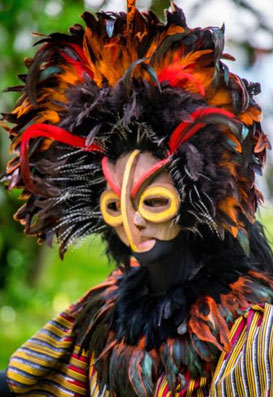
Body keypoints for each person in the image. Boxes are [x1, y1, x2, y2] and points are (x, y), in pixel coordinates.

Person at [1, 1, 273, 396]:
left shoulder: (247, 327)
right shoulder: (103, 312)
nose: (133, 222)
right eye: (114, 205)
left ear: (196, 197)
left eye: (154, 201)